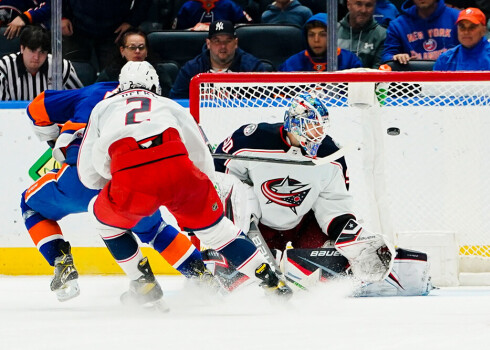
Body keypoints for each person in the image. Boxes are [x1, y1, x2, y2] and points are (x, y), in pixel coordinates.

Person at [77, 61, 293, 302]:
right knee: (218, 232)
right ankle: (271, 281)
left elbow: (87, 174)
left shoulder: (103, 108)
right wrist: (206, 188)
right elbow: (199, 152)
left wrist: (113, 180)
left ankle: (143, 283)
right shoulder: (170, 105)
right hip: (176, 167)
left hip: (130, 174)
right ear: (155, 85)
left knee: (105, 223)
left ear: (121, 85)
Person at [24, 82, 218, 303]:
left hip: (79, 176)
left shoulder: (97, 91)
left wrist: (53, 137)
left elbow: (36, 108)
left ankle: (61, 261)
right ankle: (202, 277)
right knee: (155, 229)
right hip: (128, 179)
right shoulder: (158, 101)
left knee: (29, 205)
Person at [213, 92, 394, 283]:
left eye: (320, 127)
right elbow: (222, 177)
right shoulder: (252, 139)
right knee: (237, 194)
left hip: (303, 224)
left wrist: (351, 237)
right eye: (311, 126)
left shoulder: (330, 155)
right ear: (293, 123)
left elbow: (334, 204)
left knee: (338, 264)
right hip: (257, 227)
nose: (318, 133)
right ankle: (231, 259)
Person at [169, 20, 266, 99]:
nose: (223, 46)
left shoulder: (252, 68)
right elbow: (176, 101)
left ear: (236, 43)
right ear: (208, 43)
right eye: (217, 41)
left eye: (228, 41)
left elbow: (266, 101)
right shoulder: (191, 69)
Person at [61, 0, 151, 71]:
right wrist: (62, 16)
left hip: (115, 32)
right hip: (75, 28)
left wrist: (131, 22)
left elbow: (144, 2)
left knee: (113, 76)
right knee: (73, 73)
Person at [0, 25, 82, 101]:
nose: (36, 57)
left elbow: (79, 99)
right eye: (32, 50)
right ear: (22, 48)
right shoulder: (4, 68)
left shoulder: (61, 67)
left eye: (42, 52)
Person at [381, 0, 460, 64]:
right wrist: (396, 57)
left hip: (451, 79)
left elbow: (469, 51)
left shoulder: (457, 18)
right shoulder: (397, 25)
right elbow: (386, 57)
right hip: (413, 81)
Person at [279, 13, 362, 72]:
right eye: (311, 35)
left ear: (332, 36)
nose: (316, 40)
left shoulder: (349, 61)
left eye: (323, 35)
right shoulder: (292, 64)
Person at [338, 0, 387, 68]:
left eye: (368, 5)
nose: (363, 10)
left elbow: (377, 72)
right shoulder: (333, 32)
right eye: (358, 4)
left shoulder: (382, 35)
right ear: (348, 4)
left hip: (368, 78)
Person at [171, 0, 252, 30]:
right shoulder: (188, 6)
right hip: (193, 44)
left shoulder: (229, 5)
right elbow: (178, 33)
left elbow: (245, 29)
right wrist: (193, 30)